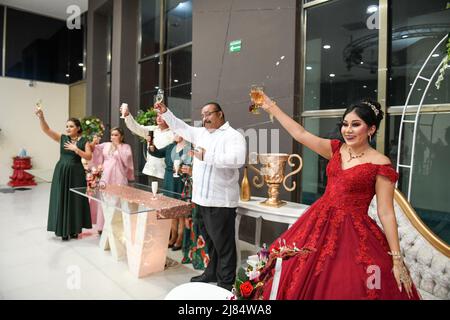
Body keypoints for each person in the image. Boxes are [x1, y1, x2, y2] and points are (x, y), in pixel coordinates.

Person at [251, 95, 420, 300]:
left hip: (353, 231)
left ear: (371, 129)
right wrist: (271, 106)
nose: (348, 130)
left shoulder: (380, 163)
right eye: (345, 124)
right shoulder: (336, 149)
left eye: (356, 125)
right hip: (318, 222)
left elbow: (385, 212)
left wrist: (396, 258)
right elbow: (300, 134)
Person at [154, 101, 246, 291]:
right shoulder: (201, 133)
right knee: (210, 242)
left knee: (224, 245)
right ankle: (211, 272)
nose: (205, 119)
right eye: (203, 115)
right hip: (200, 199)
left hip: (221, 200)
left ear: (220, 114)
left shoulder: (233, 136)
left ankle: (226, 282)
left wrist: (207, 156)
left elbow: (237, 160)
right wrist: (166, 113)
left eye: (208, 114)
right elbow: (181, 127)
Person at [35, 107, 92, 241]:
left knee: (75, 200)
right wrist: (41, 117)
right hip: (62, 172)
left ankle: (74, 230)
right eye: (67, 126)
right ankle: (63, 230)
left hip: (77, 174)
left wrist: (76, 149)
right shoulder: (62, 138)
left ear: (78, 128)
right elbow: (46, 130)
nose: (68, 128)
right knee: (62, 198)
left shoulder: (84, 141)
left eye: (71, 126)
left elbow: (89, 157)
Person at [147, 133, 192, 251]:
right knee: (170, 209)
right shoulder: (170, 146)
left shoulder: (189, 148)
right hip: (168, 179)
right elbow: (156, 153)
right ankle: (173, 235)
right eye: (174, 132)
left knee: (180, 210)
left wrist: (183, 169)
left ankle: (180, 237)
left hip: (180, 180)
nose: (175, 134)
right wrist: (150, 144)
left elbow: (191, 165)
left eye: (177, 132)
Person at [90, 127, 135, 233]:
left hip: (119, 175)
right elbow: (95, 150)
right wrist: (94, 142)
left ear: (121, 136)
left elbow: (127, 160)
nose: (113, 137)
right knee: (104, 199)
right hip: (106, 175)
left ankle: (117, 226)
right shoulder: (106, 145)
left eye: (116, 135)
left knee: (118, 199)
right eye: (112, 135)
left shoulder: (125, 147)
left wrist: (118, 147)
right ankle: (102, 226)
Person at [120, 106, 173, 184]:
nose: (159, 118)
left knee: (163, 196)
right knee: (151, 196)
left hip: (165, 174)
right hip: (151, 172)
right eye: (158, 116)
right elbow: (136, 128)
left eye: (162, 116)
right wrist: (127, 115)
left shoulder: (173, 133)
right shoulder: (152, 130)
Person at [179, 163, 210, 270]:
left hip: (204, 196)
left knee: (201, 226)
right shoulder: (191, 156)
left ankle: (202, 260)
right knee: (191, 224)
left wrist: (193, 173)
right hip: (192, 195)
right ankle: (192, 256)